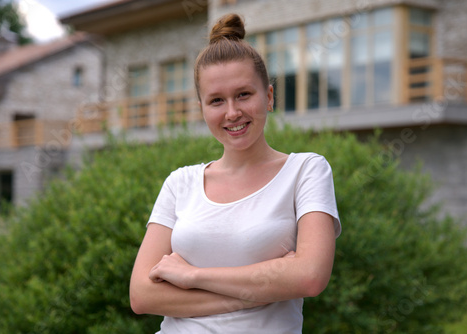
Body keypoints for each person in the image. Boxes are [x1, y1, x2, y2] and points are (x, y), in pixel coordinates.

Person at [129, 13, 341, 334]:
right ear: (202, 109)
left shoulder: (306, 171)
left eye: (243, 94)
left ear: (268, 97)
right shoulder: (180, 183)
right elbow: (142, 296)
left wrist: (193, 277)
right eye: (216, 100)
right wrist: (256, 293)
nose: (232, 112)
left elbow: (310, 276)